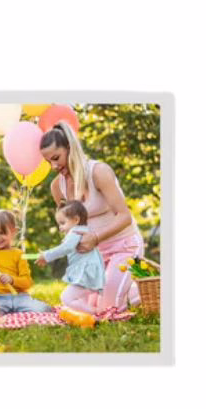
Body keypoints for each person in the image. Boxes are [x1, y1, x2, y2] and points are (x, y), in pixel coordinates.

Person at [39, 120, 145, 312]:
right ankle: (131, 290)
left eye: (56, 158)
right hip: (95, 257)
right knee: (79, 304)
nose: (53, 166)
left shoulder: (98, 172)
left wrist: (95, 237)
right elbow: (70, 226)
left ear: (70, 148)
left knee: (108, 309)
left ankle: (133, 291)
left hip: (125, 248)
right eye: (48, 162)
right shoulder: (57, 187)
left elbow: (125, 217)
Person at [0, 209, 52, 314]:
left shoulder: (19, 254)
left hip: (21, 297)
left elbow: (27, 282)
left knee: (43, 310)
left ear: (13, 232)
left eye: (2, 233)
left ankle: (28, 306)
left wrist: (12, 280)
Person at [36, 200, 106, 314]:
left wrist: (46, 255)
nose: (60, 227)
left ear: (76, 220)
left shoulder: (76, 232)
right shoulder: (84, 231)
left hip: (85, 272)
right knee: (79, 299)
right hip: (89, 271)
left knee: (66, 298)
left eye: (63, 223)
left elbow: (66, 248)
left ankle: (93, 312)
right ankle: (85, 314)